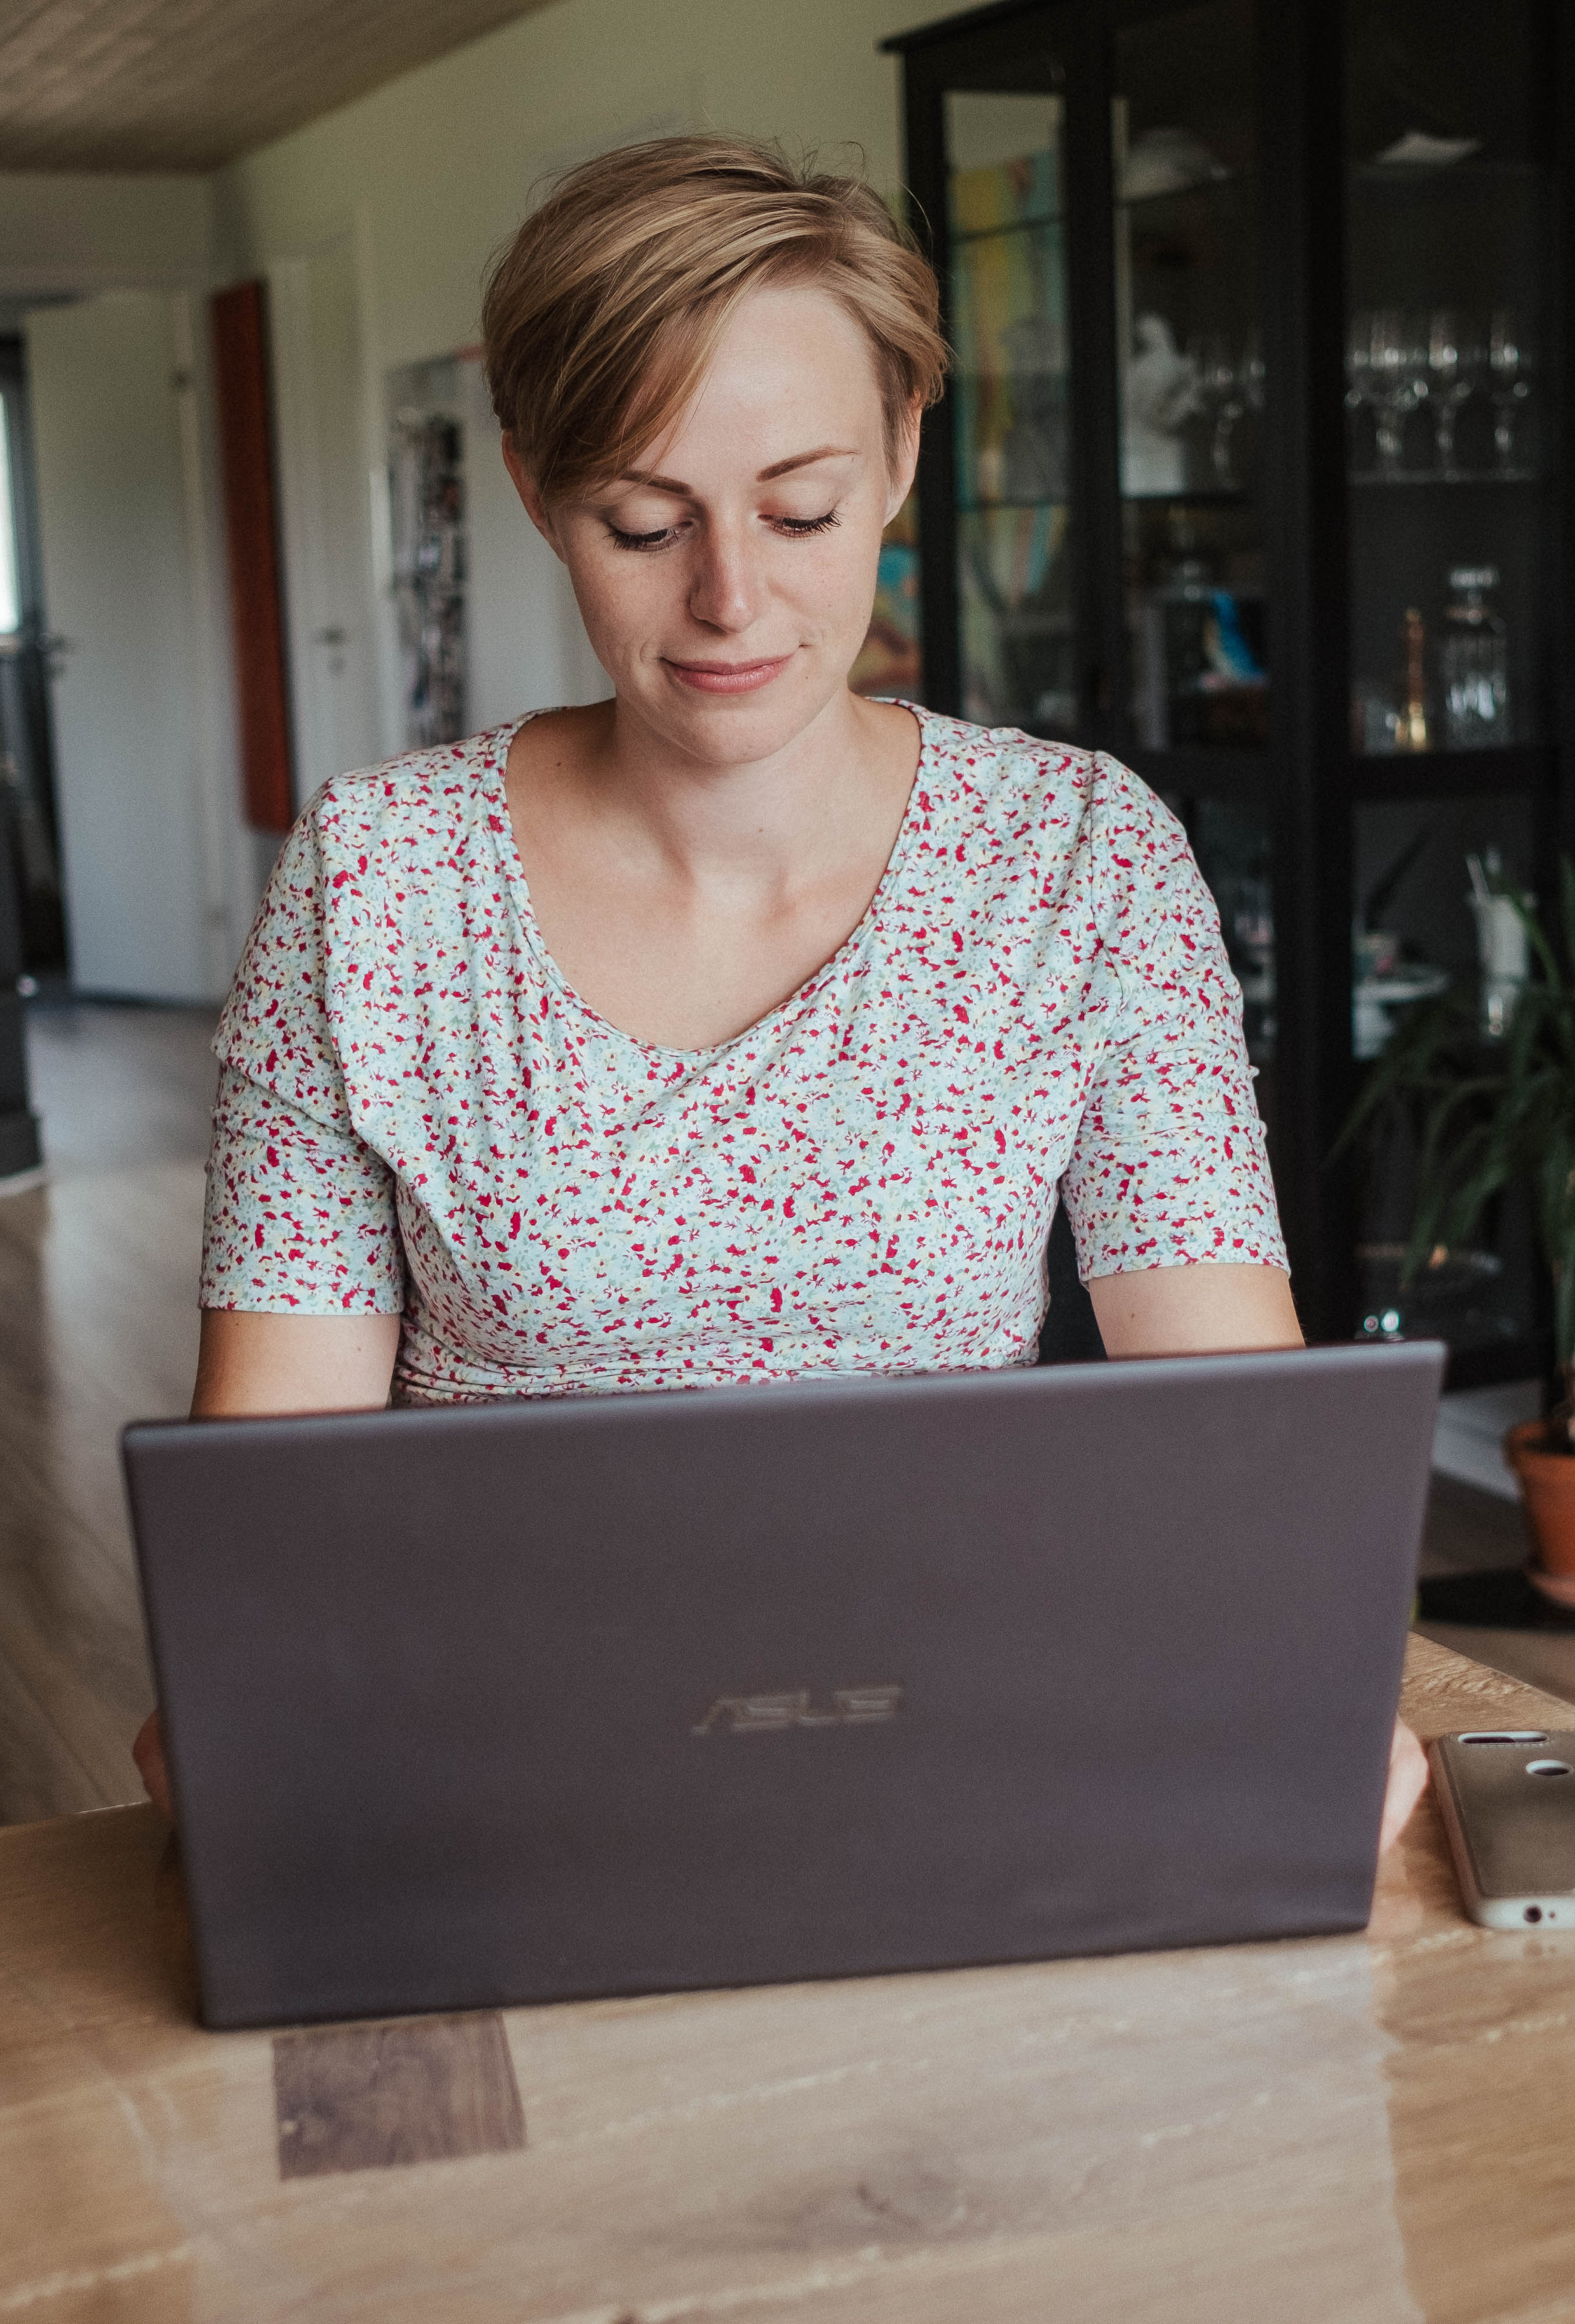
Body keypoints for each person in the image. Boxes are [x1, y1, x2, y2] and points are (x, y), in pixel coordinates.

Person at [156, 132, 1424, 1848]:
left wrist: (1319, 1687)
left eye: (801, 509)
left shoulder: (1078, 861)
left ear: (906, 448)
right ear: (535, 489)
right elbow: (274, 1510)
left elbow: (1230, 1439)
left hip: (972, 1749)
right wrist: (242, 1715)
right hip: (493, 1778)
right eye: (642, 520)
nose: (730, 600)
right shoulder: (377, 886)